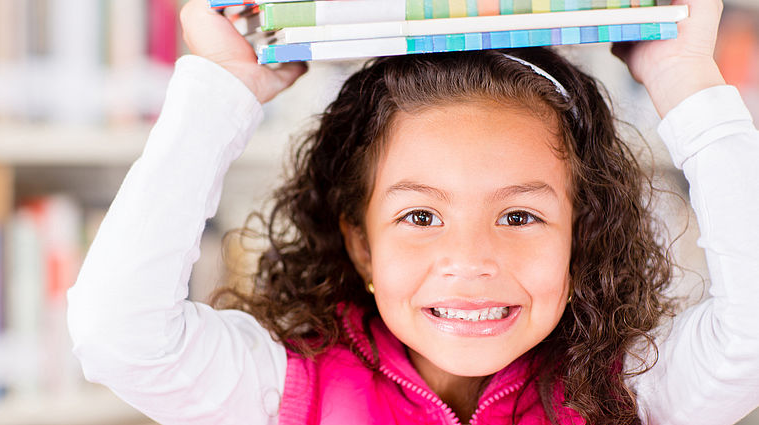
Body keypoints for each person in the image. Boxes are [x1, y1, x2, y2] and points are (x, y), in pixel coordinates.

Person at [66, 0, 759, 422]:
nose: (471, 260)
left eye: (519, 216)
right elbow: (117, 334)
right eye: (420, 216)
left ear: (583, 236)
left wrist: (685, 80)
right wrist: (223, 87)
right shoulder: (284, 391)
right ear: (361, 244)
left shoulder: (632, 392)